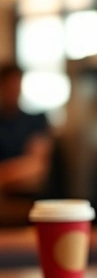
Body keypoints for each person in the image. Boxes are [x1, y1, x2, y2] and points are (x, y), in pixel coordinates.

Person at [0, 63, 52, 195]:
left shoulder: (36, 120)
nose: (13, 90)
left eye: (16, 85)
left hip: (30, 198)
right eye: (8, 86)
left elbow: (37, 166)